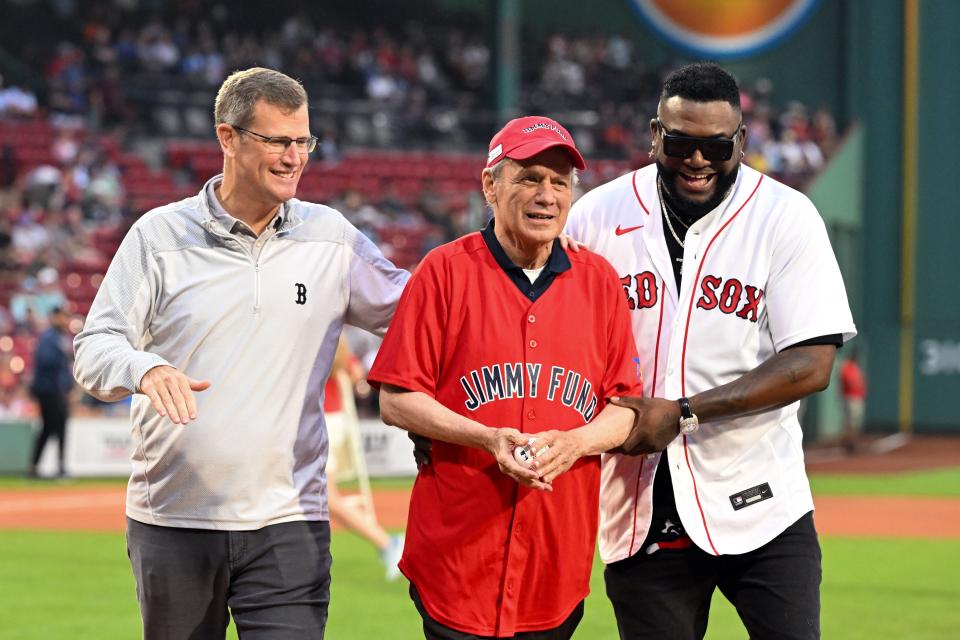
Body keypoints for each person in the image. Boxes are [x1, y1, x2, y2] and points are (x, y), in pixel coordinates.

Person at [73, 67, 408, 639]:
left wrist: (514, 254)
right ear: (228, 138)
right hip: (173, 521)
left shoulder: (332, 237)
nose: (294, 157)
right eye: (278, 140)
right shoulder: (158, 236)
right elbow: (94, 348)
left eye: (304, 141)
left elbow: (420, 307)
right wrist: (144, 366)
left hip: (290, 523)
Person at [564, 62, 856, 640]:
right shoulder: (597, 215)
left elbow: (811, 362)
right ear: (654, 135)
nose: (697, 160)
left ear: (741, 142)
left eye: (716, 146)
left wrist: (686, 409)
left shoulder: (785, 217)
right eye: (680, 143)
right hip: (638, 508)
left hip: (763, 502)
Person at [368, 116, 643, 639]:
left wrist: (576, 442)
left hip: (555, 557)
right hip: (459, 551)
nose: (546, 195)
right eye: (530, 177)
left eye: (559, 182)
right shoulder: (444, 271)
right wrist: (486, 436)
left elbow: (625, 408)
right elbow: (398, 399)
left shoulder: (599, 282)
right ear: (490, 186)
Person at [324, 335, 404, 580]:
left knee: (326, 497)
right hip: (332, 420)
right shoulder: (337, 344)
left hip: (323, 421)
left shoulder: (324, 342)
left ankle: (387, 542)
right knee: (318, 497)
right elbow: (356, 371)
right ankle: (382, 537)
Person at [28, 307, 73, 478]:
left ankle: (35, 467)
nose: (65, 320)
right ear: (54, 317)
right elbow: (46, 361)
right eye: (62, 317)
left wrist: (68, 387)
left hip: (56, 390)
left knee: (49, 428)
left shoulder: (61, 337)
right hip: (49, 390)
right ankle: (58, 467)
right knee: (57, 425)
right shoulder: (49, 338)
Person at [839, 349, 867, 453]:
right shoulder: (847, 367)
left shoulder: (855, 367)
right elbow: (850, 382)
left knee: (855, 422)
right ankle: (848, 444)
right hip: (850, 397)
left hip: (857, 397)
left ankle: (852, 443)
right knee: (850, 422)